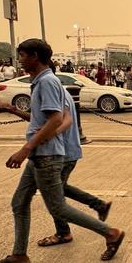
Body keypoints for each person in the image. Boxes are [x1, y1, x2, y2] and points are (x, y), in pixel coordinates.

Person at [0, 39, 125, 263]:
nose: (19, 60)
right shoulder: (42, 82)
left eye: (22, 55)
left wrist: (26, 149)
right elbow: (44, 119)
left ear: (34, 56)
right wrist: (11, 110)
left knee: (57, 207)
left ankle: (111, 232)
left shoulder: (48, 82)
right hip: (41, 154)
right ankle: (19, 254)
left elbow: (57, 120)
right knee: (19, 202)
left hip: (47, 155)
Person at [37, 87, 113, 247]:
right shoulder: (60, 90)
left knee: (54, 195)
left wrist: (47, 135)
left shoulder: (51, 90)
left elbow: (65, 120)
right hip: (67, 151)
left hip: (63, 152)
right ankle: (98, 205)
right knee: (59, 189)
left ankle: (63, 232)